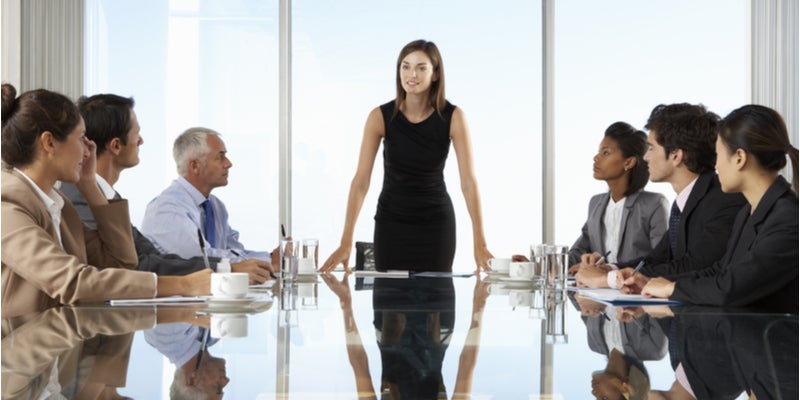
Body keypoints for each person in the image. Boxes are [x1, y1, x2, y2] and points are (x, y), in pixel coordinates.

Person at [0, 84, 210, 317]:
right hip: (18, 348)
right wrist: (182, 285)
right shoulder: (6, 206)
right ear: (49, 143)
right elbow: (71, 282)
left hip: (58, 346)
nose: (88, 151)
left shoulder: (58, 205)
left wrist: (90, 186)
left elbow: (121, 263)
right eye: (81, 139)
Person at [320, 39, 493, 273]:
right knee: (389, 302)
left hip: (436, 226)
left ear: (435, 74)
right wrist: (345, 242)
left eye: (421, 67)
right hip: (391, 224)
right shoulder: (379, 117)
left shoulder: (454, 117)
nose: (412, 74)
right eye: (405, 66)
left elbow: (469, 184)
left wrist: (480, 244)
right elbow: (360, 182)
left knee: (436, 303)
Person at [60, 94, 272, 284]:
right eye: (137, 134)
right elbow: (134, 267)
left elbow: (153, 257)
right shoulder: (80, 197)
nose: (141, 141)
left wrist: (231, 268)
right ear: (116, 146)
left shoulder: (107, 196)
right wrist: (227, 270)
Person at [635, 104, 799, 313]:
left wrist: (671, 288)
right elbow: (720, 271)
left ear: (739, 158)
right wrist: (651, 281)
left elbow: (731, 288)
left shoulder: (789, 218)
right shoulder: (747, 213)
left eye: (718, 154)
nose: (716, 165)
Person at [577, 103, 746, 289]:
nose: (646, 157)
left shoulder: (724, 199)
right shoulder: (685, 201)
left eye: (651, 148)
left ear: (676, 156)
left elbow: (695, 266)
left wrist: (611, 279)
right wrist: (608, 268)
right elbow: (656, 259)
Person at [141, 127, 278, 270]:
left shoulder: (215, 206)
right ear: (195, 166)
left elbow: (235, 252)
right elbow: (202, 259)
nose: (228, 163)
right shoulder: (166, 208)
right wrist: (269, 260)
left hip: (215, 290)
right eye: (220, 157)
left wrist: (271, 258)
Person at [568, 122, 669, 288]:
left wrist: (607, 271)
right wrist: (537, 265)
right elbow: (578, 252)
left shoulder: (654, 204)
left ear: (628, 162)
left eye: (605, 153)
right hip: (599, 299)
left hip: (634, 299)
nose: (596, 157)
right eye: (599, 152)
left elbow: (661, 260)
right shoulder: (596, 203)